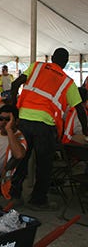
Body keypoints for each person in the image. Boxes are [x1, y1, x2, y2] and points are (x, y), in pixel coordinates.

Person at [10, 47, 88, 210]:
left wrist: (14, 109)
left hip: (24, 119)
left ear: (52, 58)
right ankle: (38, 200)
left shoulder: (36, 67)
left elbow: (15, 83)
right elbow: (80, 109)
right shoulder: (68, 82)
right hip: (45, 125)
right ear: (66, 63)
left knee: (22, 158)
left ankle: (14, 195)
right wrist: (86, 131)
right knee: (44, 164)